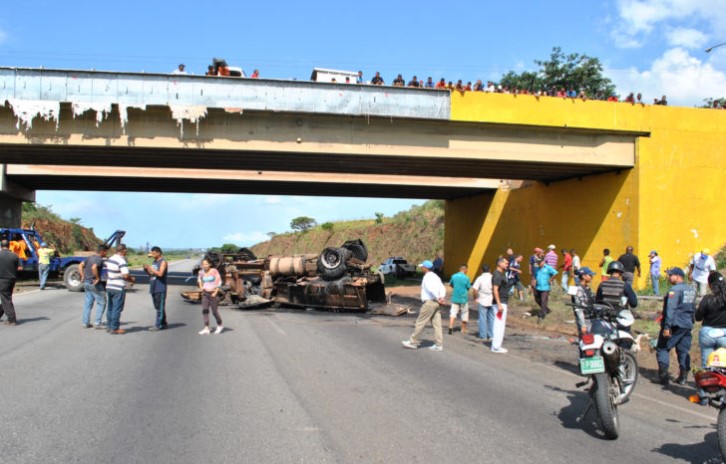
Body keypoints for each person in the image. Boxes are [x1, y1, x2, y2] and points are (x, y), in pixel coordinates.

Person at [655, 267, 696, 386]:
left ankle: (663, 378)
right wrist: (691, 322)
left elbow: (670, 309)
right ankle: (683, 377)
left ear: (677, 276)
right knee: (683, 350)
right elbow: (693, 308)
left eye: (670, 275)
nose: (668, 277)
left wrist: (667, 327)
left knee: (662, 348)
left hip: (675, 324)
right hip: (687, 324)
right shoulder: (690, 290)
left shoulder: (674, 290)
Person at [402, 260, 446, 351]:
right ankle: (439, 344)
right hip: (436, 304)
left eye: (422, 267)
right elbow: (442, 288)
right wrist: (441, 297)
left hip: (429, 303)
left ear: (426, 268)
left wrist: (438, 298)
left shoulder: (427, 277)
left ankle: (413, 342)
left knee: (420, 322)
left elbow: (431, 289)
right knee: (437, 324)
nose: (421, 268)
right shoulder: (436, 277)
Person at [695, 271, 726, 368]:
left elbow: (698, 318)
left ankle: (707, 379)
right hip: (724, 333)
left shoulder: (707, 299)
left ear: (710, 285)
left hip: (707, 333)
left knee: (707, 361)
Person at [106, 244, 135, 335]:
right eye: (126, 250)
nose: (126, 251)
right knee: (117, 308)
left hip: (109, 285)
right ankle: (115, 328)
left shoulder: (110, 259)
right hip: (118, 286)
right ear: (123, 250)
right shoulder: (121, 260)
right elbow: (125, 275)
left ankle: (109, 326)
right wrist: (132, 279)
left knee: (110, 307)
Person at [79, 244, 108, 329]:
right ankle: (98, 323)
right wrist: (98, 278)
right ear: (103, 251)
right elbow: (94, 267)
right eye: (106, 252)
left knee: (88, 303)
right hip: (94, 284)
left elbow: (80, 265)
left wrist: (83, 276)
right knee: (102, 303)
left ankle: (85, 322)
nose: (106, 253)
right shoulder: (99, 259)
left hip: (87, 283)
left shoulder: (90, 257)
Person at [144, 246, 168, 331]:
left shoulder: (163, 262)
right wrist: (147, 270)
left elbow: (160, 274)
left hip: (160, 287)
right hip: (153, 286)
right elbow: (152, 274)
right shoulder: (154, 262)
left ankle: (158, 325)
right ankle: (164, 323)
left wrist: (150, 268)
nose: (152, 255)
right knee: (158, 306)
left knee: (160, 308)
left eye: (153, 253)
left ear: (158, 253)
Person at [198, 258, 224, 335]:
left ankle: (220, 325)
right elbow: (199, 280)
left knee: (214, 311)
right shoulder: (201, 272)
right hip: (205, 293)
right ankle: (206, 328)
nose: (205, 266)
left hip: (213, 293)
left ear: (210, 264)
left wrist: (215, 292)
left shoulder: (214, 271)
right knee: (205, 310)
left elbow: (219, 282)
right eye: (203, 264)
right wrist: (201, 287)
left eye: (206, 264)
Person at [491, 257, 511, 353]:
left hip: (502, 302)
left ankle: (496, 345)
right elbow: (495, 289)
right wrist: (499, 304)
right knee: (499, 324)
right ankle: (496, 346)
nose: (507, 265)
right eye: (506, 263)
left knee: (500, 324)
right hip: (500, 303)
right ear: (500, 264)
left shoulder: (500, 274)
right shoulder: (497, 275)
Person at [0, 239, 22, 326]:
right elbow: (20, 268)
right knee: (5, 297)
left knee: (6, 298)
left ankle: (12, 319)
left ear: (1, 246)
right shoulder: (14, 255)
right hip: (11, 279)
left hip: (2, 279)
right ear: (9, 246)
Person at [571, 267, 596, 337]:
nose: (592, 277)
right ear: (584, 276)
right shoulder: (577, 289)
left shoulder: (587, 288)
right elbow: (578, 308)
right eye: (590, 275)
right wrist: (583, 325)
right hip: (584, 319)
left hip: (590, 318)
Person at [472, 264, 494, 340]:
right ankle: (491, 335)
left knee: (482, 318)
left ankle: (483, 335)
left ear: (481, 270)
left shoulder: (480, 278)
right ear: (490, 270)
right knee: (491, 318)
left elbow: (475, 290)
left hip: (482, 300)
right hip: (491, 299)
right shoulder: (492, 278)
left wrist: (475, 298)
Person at [448, 264, 471, 335]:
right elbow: (468, 287)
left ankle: (450, 327)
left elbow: (450, 284)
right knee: (465, 313)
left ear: (459, 269)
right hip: (463, 298)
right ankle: (463, 329)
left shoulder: (454, 276)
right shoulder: (467, 278)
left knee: (453, 313)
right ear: (466, 269)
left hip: (455, 297)